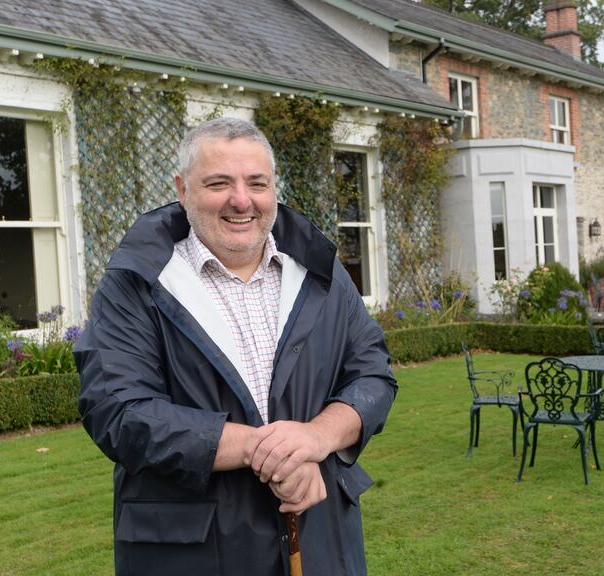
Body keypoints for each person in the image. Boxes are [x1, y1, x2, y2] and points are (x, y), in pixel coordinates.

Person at [75, 117, 397, 576]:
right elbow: (119, 411)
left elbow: (373, 375)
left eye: (256, 183)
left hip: (319, 536)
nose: (241, 200)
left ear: (273, 189)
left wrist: (315, 437)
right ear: (183, 189)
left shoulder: (322, 274)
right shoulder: (136, 282)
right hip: (192, 552)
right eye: (219, 183)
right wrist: (263, 449)